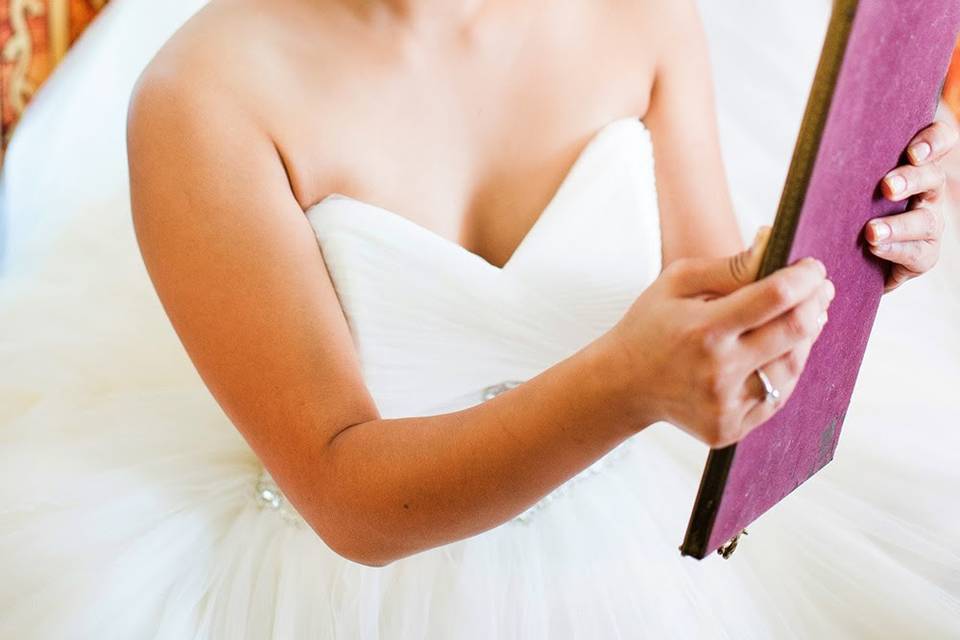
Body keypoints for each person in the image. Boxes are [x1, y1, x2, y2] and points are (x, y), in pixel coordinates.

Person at [2, 0, 958, 637]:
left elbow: (715, 304)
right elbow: (345, 496)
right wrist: (625, 387)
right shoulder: (202, 98)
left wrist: (853, 250)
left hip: (636, 536)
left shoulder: (642, 15)